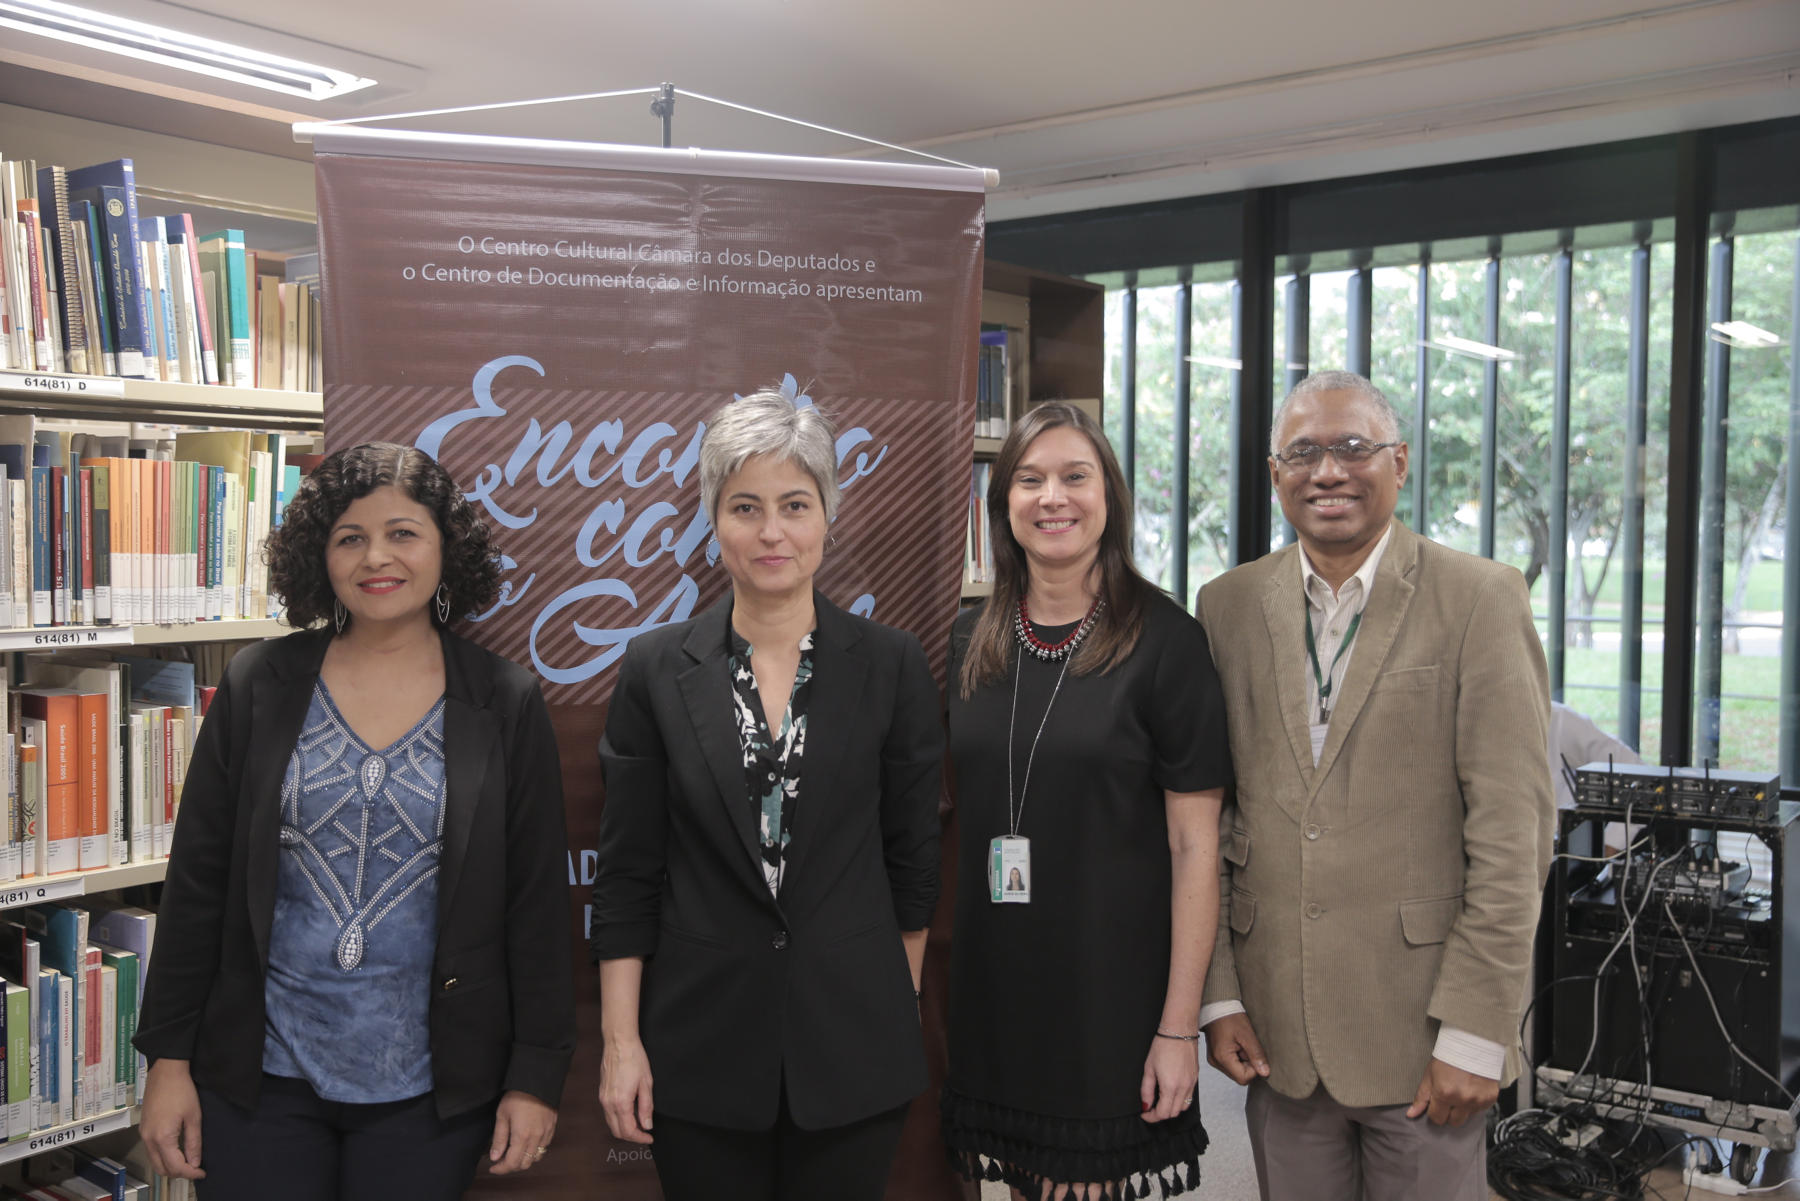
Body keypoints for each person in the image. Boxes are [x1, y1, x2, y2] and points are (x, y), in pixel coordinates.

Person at [134, 442, 576, 1200]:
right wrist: (168, 1060)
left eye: (403, 532)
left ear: (446, 549)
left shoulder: (504, 700)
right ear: (320, 554)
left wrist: (535, 1076)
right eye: (350, 537)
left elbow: (537, 904)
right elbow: (198, 883)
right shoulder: (259, 682)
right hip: (258, 1080)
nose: (377, 556)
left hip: (428, 1090)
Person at [1196, 371, 1552, 1201]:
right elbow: (1213, 820)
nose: (1328, 471)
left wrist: (1475, 1032)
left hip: (1423, 1030)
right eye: (1305, 452)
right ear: (1275, 473)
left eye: (1353, 448)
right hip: (1277, 1028)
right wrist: (1219, 996)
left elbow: (1514, 834)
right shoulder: (1227, 605)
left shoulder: (1480, 599)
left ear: (1399, 464)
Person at [591, 388, 943, 1201]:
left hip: (855, 1043)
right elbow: (627, 873)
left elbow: (913, 857)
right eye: (745, 506)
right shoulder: (654, 668)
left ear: (829, 513)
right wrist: (621, 1043)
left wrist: (891, 1000)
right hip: (699, 1046)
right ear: (714, 521)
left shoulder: (892, 665)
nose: (771, 531)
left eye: (795, 503)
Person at [943, 401, 1231, 1201]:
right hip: (999, 986)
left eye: (1076, 476)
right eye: (1029, 479)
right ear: (1004, 502)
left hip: (1111, 997)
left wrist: (1178, 1026)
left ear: (1110, 495)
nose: (1052, 497)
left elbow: (1195, 848)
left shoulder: (1167, 642)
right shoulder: (973, 641)